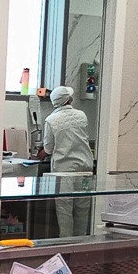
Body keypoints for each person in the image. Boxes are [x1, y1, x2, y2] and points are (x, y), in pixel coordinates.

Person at [38, 86, 94, 237]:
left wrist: (41, 153)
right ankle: (81, 242)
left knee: (65, 209)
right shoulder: (81, 115)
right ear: (69, 100)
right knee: (82, 208)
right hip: (85, 168)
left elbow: (48, 148)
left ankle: (66, 243)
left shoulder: (51, 120)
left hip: (64, 171)